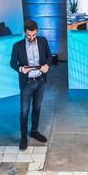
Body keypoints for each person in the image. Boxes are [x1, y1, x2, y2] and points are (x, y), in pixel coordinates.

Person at [9, 20, 53, 150]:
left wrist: (47, 65)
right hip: (27, 83)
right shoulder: (17, 46)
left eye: (34, 35)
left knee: (37, 107)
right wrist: (21, 69)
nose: (31, 38)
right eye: (29, 35)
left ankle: (34, 131)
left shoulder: (43, 41)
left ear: (37, 31)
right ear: (25, 32)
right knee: (24, 111)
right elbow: (12, 62)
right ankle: (23, 138)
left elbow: (49, 57)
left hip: (40, 80)